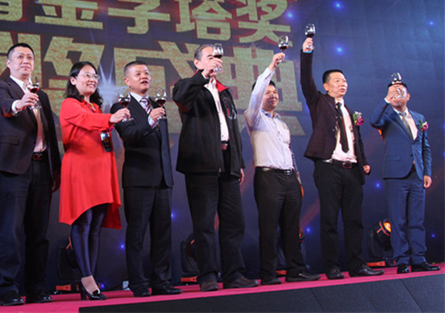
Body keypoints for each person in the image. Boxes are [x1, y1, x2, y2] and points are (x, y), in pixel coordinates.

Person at [172, 44, 258, 291]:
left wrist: (238, 163)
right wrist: (203, 76)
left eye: (217, 57)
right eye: (209, 57)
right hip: (201, 165)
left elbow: (232, 130)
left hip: (228, 163)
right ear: (197, 63)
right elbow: (181, 98)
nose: (215, 61)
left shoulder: (224, 92)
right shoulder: (187, 86)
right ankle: (207, 275)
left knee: (233, 222)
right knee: (204, 224)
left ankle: (233, 274)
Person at [300, 36, 383, 279]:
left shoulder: (350, 111)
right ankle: (332, 266)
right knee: (329, 220)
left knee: (354, 220)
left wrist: (363, 162)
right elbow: (305, 80)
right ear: (326, 86)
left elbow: (356, 139)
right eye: (337, 81)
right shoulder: (319, 102)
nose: (342, 84)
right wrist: (306, 54)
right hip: (329, 168)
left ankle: (357, 265)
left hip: (352, 170)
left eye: (344, 80)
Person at [0, 43, 61, 306]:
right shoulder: (0, 87)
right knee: (11, 230)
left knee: (39, 233)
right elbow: (1, 106)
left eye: (30, 57)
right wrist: (19, 104)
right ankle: (8, 288)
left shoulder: (41, 95)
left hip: (42, 167)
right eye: (20, 57)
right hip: (14, 168)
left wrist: (55, 170)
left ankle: (36, 288)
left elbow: (50, 135)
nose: (26, 61)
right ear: (9, 63)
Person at [244, 52, 320, 285]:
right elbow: (257, 94)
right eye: (267, 92)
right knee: (268, 227)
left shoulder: (282, 123)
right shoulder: (254, 117)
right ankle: (268, 273)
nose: (272, 95)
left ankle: (296, 269)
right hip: (268, 178)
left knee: (291, 227)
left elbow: (289, 154)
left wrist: (297, 180)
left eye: (275, 92)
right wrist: (270, 68)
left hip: (289, 179)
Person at [59, 61, 130, 300]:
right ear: (73, 80)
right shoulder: (70, 105)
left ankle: (89, 278)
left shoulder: (96, 107)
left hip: (100, 169)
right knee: (83, 221)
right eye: (86, 75)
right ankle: (87, 278)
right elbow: (85, 121)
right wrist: (112, 118)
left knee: (96, 224)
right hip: (80, 169)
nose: (92, 79)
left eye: (95, 75)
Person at [110, 61, 181, 297]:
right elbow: (129, 136)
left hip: (162, 178)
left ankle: (162, 281)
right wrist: (150, 120)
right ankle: (138, 283)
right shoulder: (121, 106)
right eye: (138, 73)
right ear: (127, 81)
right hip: (138, 178)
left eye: (147, 73)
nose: (144, 76)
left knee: (162, 234)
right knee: (137, 234)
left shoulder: (156, 104)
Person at [370, 80, 439, 273]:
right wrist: (386, 99)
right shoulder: (387, 117)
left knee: (417, 220)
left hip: (417, 175)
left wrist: (427, 172)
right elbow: (373, 120)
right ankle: (401, 260)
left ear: (408, 96)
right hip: (396, 175)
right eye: (393, 93)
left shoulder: (418, 118)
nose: (397, 95)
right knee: (398, 220)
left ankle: (419, 259)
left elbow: (424, 147)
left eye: (401, 92)